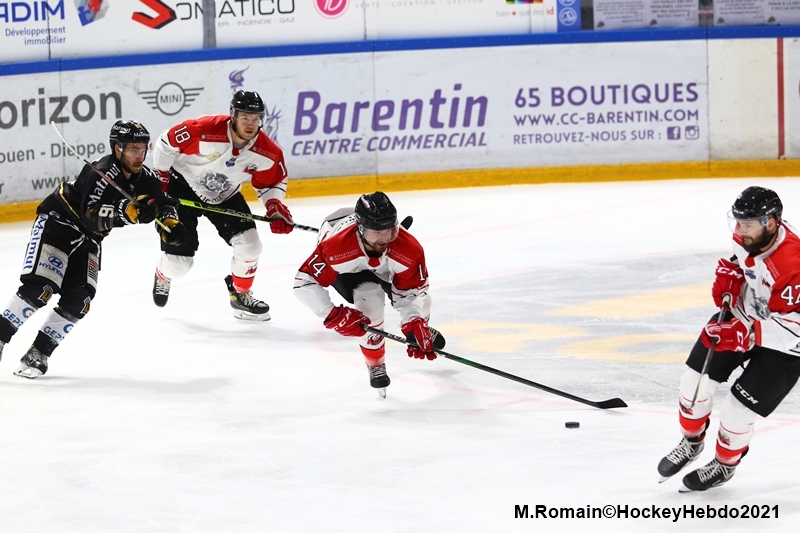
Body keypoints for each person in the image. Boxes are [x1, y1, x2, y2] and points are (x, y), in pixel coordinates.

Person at [0, 120, 185, 378]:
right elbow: (90, 215)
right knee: (39, 288)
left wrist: (170, 223)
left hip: (89, 239)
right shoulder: (101, 172)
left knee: (80, 299)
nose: (140, 155)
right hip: (58, 223)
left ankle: (38, 353)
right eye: (134, 149)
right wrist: (126, 212)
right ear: (117, 148)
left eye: (143, 148)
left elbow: (163, 202)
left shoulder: (147, 178)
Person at [657, 186, 800, 492]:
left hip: (786, 346)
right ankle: (691, 442)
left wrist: (749, 333)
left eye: (747, 224)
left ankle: (724, 464)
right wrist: (732, 276)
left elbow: (796, 328)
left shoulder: (793, 265)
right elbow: (743, 261)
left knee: (736, 411)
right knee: (693, 384)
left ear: (771, 222)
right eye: (738, 222)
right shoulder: (750, 236)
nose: (740, 230)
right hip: (740, 318)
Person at [150, 90, 293, 321]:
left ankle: (240, 295)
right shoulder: (204, 130)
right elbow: (167, 142)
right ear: (233, 115)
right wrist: (162, 180)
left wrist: (274, 206)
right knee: (179, 264)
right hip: (181, 188)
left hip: (224, 194)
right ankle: (163, 273)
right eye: (245, 117)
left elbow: (272, 181)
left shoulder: (266, 152)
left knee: (250, 246)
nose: (250, 124)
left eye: (255, 118)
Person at [293, 191, 440, 397]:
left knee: (423, 304)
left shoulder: (408, 247)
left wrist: (413, 319)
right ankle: (375, 363)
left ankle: (418, 327)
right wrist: (332, 314)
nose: (386, 238)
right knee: (370, 302)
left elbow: (412, 291)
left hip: (382, 265)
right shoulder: (336, 247)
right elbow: (304, 283)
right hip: (349, 269)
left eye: (390, 229)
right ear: (361, 229)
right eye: (378, 231)